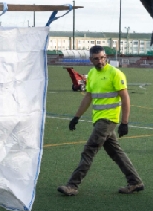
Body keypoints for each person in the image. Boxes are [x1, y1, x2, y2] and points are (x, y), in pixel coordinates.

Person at [58, 46, 144, 196]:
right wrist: (76, 117)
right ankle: (135, 182)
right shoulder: (91, 74)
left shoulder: (115, 73)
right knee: (116, 152)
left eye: (103, 57)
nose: (100, 61)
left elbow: (125, 97)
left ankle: (72, 185)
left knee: (89, 150)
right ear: (91, 60)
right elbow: (88, 97)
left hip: (108, 120)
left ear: (106, 57)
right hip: (98, 119)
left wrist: (124, 122)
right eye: (96, 58)